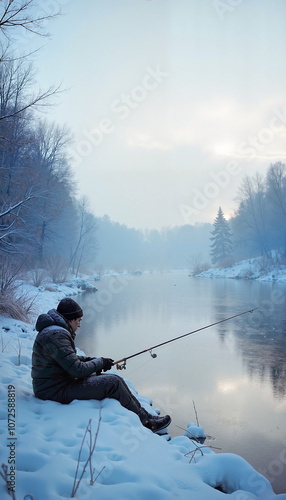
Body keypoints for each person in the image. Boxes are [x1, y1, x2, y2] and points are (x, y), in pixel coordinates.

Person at [32, 298, 171, 434]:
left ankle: (147, 416)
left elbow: (67, 359)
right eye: (79, 320)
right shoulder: (57, 334)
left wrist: (93, 360)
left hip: (57, 383)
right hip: (53, 390)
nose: (79, 325)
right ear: (70, 319)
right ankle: (146, 423)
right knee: (113, 382)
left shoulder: (54, 331)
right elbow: (77, 370)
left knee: (115, 379)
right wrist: (99, 363)